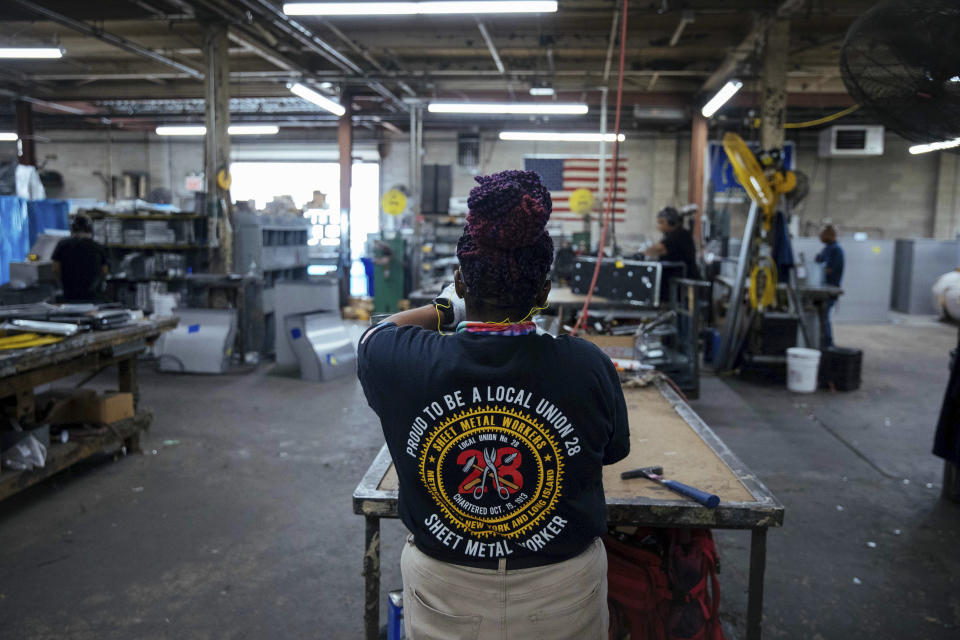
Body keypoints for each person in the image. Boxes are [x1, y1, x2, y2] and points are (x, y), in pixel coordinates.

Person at [357, 170, 630, 640]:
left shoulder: (400, 362)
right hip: (562, 590)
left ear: (461, 284)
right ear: (543, 295)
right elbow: (612, 453)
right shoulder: (588, 365)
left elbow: (377, 331)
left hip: (445, 588)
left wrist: (446, 309)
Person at [643, 206, 699, 299]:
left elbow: (660, 249)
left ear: (671, 222)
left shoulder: (679, 234)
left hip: (681, 282)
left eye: (662, 222)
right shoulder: (673, 234)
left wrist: (643, 253)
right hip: (675, 282)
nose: (659, 226)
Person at [52, 214, 108, 303]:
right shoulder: (98, 247)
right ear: (90, 230)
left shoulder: (62, 245)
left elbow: (56, 269)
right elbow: (104, 271)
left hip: (68, 294)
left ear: (72, 229)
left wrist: (61, 285)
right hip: (92, 296)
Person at [814, 224, 844, 347]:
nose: (820, 236)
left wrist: (818, 268)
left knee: (824, 317)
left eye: (822, 234)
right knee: (822, 316)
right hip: (824, 286)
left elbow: (829, 269)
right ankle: (822, 341)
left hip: (830, 288)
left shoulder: (836, 250)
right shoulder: (827, 248)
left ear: (830, 235)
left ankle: (827, 344)